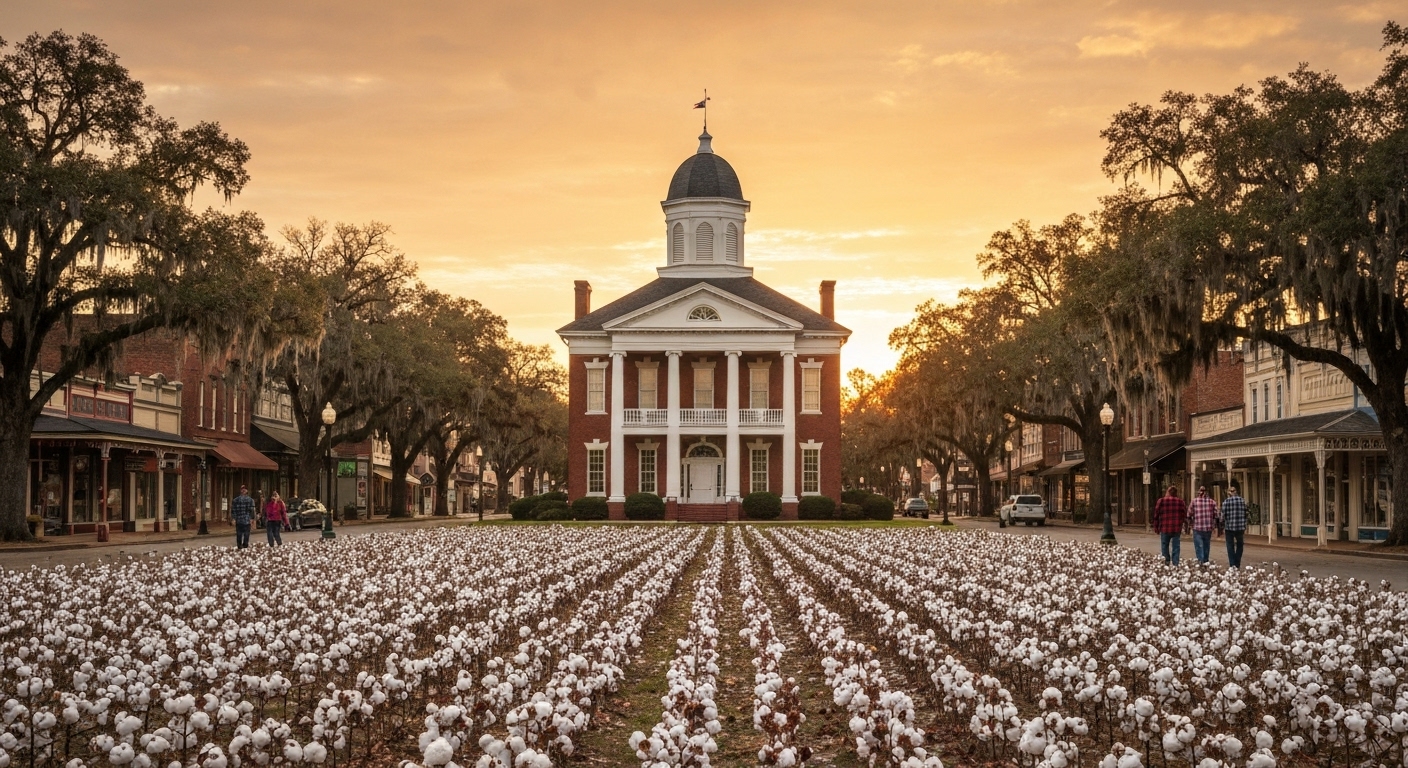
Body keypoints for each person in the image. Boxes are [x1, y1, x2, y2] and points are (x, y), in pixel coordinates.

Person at [1150, 486, 1187, 565]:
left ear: (1168, 492)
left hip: (1165, 528)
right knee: (1176, 546)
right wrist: (1182, 524)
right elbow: (1184, 515)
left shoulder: (1161, 501)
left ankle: (1166, 561)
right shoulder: (1180, 502)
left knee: (1164, 545)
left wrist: (1156, 527)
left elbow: (1156, 515)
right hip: (1176, 528)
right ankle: (1175, 563)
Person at [1218, 485, 1248, 568]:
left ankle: (1232, 564)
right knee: (1240, 545)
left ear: (1229, 493)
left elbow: (1222, 517)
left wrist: (1222, 524)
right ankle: (1237, 562)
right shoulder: (1242, 501)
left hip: (1229, 527)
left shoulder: (1226, 502)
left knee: (1230, 546)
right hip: (1240, 527)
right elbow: (1246, 514)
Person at [1188, 487, 1218, 564]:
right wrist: (1214, 525)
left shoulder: (1194, 501)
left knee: (1199, 546)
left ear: (1199, 493)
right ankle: (1206, 561)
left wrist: (1191, 523)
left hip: (1197, 528)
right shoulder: (1212, 502)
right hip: (1208, 528)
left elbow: (1189, 514)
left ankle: (1200, 562)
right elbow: (1216, 515)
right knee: (1206, 546)